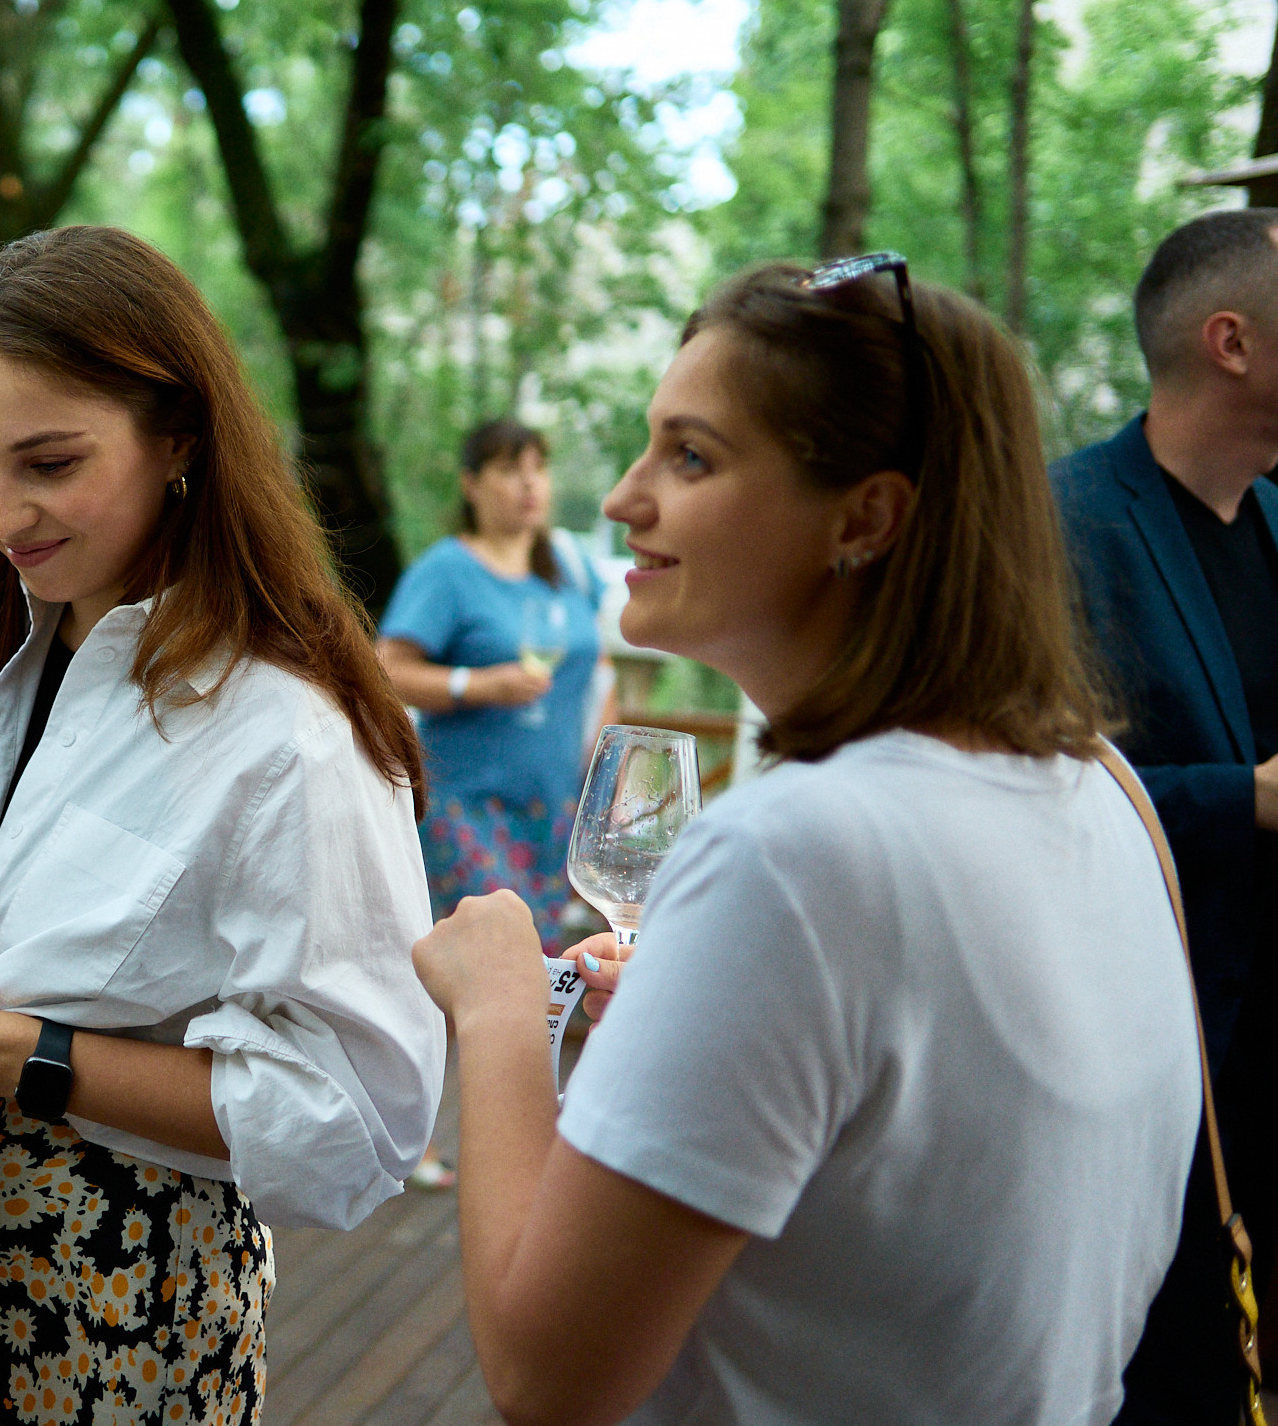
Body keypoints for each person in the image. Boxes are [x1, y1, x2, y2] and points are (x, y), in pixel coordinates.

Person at [413, 258, 1202, 1422]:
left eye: (690, 456)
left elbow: (547, 1377)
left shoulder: (796, 850)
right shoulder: (1104, 783)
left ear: (865, 515)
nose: (625, 498)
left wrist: (496, 1010)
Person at [0, 225, 446, 1423]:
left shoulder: (283, 732)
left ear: (180, 438)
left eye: (47, 461)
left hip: (117, 1311)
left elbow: (352, 1122)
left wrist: (9, 1053)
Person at [1051, 209, 1278, 1426]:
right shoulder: (1063, 518)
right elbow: (1028, 786)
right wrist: (1243, 795)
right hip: (1157, 1058)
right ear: (1229, 339)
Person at [378, 420, 609, 938]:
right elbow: (385, 669)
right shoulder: (447, 571)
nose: (530, 484)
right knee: (500, 949)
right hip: (464, 804)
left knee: (539, 957)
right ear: (471, 484)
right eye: (510, 470)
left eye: (539, 469)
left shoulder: (570, 566)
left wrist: (599, 777)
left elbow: (598, 671)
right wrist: (478, 687)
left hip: (554, 808)